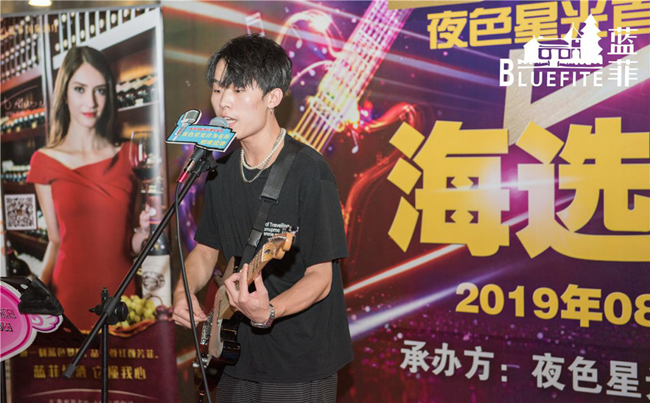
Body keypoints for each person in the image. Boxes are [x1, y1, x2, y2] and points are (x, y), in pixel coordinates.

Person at [172, 34, 353, 402]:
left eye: (238, 89)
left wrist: (268, 310)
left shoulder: (309, 172)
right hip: (233, 357)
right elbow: (205, 251)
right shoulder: (219, 170)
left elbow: (322, 278)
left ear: (273, 97)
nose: (223, 101)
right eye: (218, 88)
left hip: (299, 363)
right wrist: (182, 293)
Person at [27, 46, 149, 330]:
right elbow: (55, 240)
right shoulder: (43, 161)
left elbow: (129, 242)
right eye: (80, 89)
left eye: (100, 90)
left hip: (122, 296)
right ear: (65, 94)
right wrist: (35, 294)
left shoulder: (129, 155)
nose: (91, 102)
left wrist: (145, 234)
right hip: (69, 295)